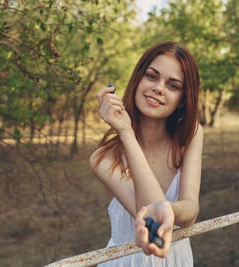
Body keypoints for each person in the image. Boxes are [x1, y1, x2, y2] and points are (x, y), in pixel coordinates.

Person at [90, 41, 203, 266]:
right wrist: (125, 132)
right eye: (152, 76)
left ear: (182, 100)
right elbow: (151, 221)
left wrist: (169, 209)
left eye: (173, 85)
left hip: (178, 260)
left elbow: (190, 210)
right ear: (138, 78)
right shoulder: (103, 158)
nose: (159, 88)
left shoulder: (190, 134)